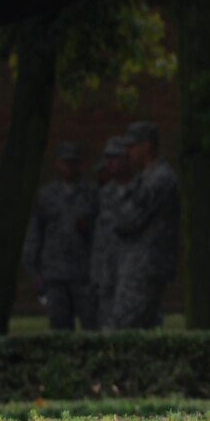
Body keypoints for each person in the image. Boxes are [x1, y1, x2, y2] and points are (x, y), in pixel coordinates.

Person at [23, 140, 99, 330]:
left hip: (84, 273)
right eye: (65, 162)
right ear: (57, 164)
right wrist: (34, 272)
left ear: (80, 164)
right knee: (59, 327)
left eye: (73, 162)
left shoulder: (91, 193)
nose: (69, 167)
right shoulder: (46, 195)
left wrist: (87, 228)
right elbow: (35, 234)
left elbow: (103, 234)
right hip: (55, 274)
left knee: (91, 325)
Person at [111, 121, 179, 330]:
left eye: (132, 146)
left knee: (124, 327)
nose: (128, 153)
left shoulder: (159, 178)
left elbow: (127, 219)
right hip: (140, 264)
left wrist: (119, 200)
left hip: (145, 267)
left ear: (146, 146)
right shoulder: (147, 177)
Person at [90, 135, 132, 329]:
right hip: (107, 276)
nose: (110, 162)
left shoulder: (142, 190)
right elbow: (100, 239)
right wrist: (97, 275)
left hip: (133, 277)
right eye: (108, 158)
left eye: (115, 157)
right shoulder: (104, 195)